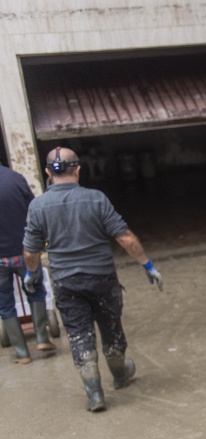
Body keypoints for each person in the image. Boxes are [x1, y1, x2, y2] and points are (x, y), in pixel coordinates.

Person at [23, 147, 163, 412]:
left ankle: (95, 394)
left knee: (78, 334)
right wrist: (148, 265)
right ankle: (120, 375)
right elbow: (125, 238)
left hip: (66, 282)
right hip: (102, 278)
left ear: (46, 174)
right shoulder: (96, 199)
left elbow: (31, 250)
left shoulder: (38, 206)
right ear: (78, 169)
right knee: (111, 329)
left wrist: (32, 273)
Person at [1, 161, 55, 364]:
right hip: (24, 250)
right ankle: (42, 337)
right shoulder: (15, 179)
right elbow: (33, 209)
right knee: (35, 290)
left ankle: (22, 352)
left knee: (5, 304)